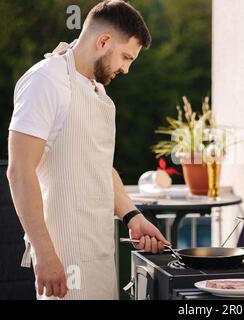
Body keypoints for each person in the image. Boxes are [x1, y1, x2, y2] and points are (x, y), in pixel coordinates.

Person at [7, 0, 168, 300]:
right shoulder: (45, 81)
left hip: (100, 252)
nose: (126, 69)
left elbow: (100, 167)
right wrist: (45, 254)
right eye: (125, 57)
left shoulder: (98, 91)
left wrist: (132, 216)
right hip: (64, 261)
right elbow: (19, 171)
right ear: (103, 41)